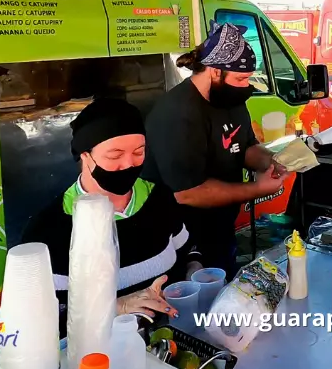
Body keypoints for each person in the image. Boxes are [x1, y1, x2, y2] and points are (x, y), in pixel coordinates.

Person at [23, 98, 202, 334]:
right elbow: (35, 322)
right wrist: (117, 307)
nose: (129, 164)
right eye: (115, 155)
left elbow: (187, 249)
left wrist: (196, 272)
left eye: (139, 152)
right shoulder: (48, 230)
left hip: (172, 338)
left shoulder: (158, 198)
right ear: (85, 156)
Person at [143, 22, 289, 279]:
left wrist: (270, 161)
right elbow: (188, 192)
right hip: (182, 239)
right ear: (214, 70)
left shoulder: (229, 98)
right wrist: (257, 189)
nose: (246, 86)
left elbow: (243, 147)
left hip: (221, 228)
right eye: (241, 78)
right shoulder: (178, 113)